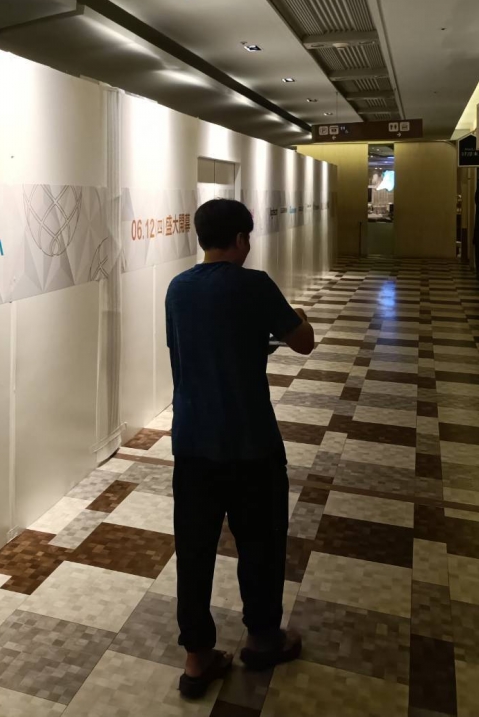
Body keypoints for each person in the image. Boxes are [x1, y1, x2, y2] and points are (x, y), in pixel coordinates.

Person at [165, 198, 316, 699]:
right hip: (251, 442)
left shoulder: (178, 288)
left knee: (194, 550)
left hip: (192, 442)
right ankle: (262, 637)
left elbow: (187, 350)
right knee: (261, 543)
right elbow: (304, 341)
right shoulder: (255, 285)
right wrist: (296, 315)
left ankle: (196, 658)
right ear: (241, 239)